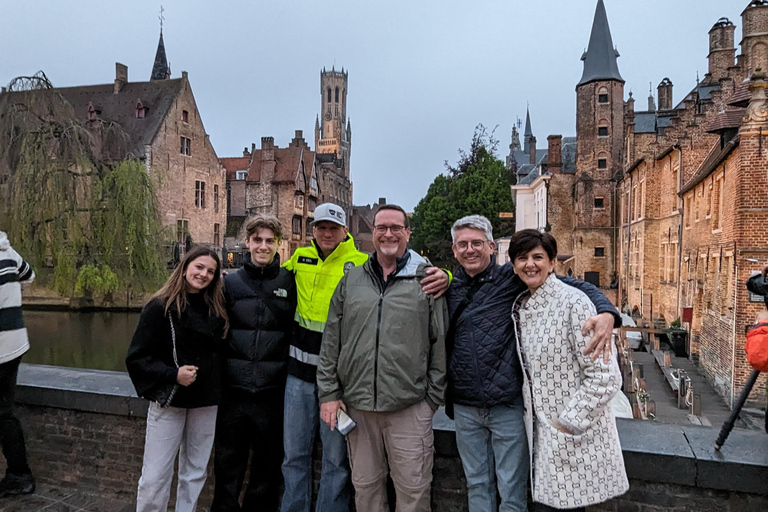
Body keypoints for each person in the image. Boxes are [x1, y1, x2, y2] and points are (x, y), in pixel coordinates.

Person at [280, 203, 448, 512]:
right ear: (372, 234)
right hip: (358, 407)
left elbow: (439, 344)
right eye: (382, 228)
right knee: (366, 490)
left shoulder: (426, 279)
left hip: (408, 408)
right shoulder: (353, 279)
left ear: (408, 233)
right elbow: (332, 341)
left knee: (413, 492)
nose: (388, 234)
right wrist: (330, 393)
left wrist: (431, 401)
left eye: (396, 228)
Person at [446, 216, 619, 512]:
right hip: (465, 406)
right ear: (454, 250)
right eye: (463, 244)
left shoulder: (511, 280)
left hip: (506, 405)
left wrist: (607, 312)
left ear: (491, 246)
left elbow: (571, 285)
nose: (470, 250)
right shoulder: (447, 287)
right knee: (477, 485)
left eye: (477, 243)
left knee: (512, 491)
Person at [509, 229, 628, 512]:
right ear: (513, 265)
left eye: (538, 257)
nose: (530, 264)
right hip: (543, 440)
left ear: (552, 263)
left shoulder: (573, 303)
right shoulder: (522, 304)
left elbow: (606, 376)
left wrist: (567, 423)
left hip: (570, 438)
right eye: (522, 258)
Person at [126, 245, 228, 512]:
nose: (204, 274)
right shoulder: (160, 307)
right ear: (185, 268)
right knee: (154, 476)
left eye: (210, 271)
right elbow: (137, 358)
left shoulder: (216, 309)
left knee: (195, 472)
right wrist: (173, 375)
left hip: (205, 402)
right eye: (199, 267)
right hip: (169, 401)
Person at [211, 214, 296, 512]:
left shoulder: (289, 282)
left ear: (278, 244)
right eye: (257, 240)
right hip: (234, 392)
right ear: (247, 242)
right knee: (227, 466)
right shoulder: (230, 284)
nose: (263, 246)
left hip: (271, 393)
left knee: (266, 468)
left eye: (269, 241)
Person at [0, 232, 36, 498]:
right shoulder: (7, 251)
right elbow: (30, 276)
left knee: (3, 414)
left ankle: (19, 475)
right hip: (15, 345)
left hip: (2, 349)